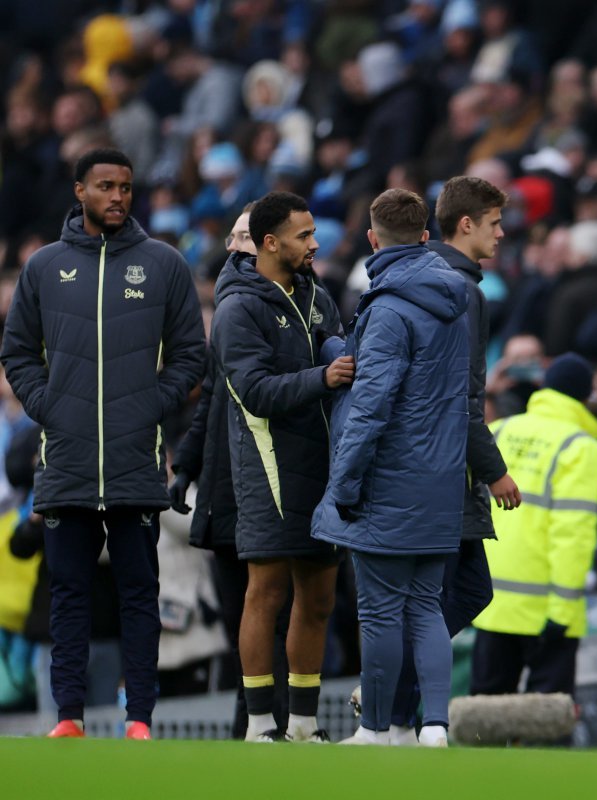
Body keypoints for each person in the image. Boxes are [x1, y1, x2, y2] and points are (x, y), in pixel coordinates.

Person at [0, 148, 206, 739]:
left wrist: (151, 407)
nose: (118, 196)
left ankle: (139, 717)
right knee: (67, 596)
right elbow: (16, 352)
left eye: (126, 187)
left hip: (135, 460)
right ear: (79, 191)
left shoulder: (163, 264)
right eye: (106, 186)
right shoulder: (43, 267)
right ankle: (69, 717)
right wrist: (49, 406)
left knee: (139, 595)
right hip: (64, 462)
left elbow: (192, 354)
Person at [312, 188, 470, 748]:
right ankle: (433, 728)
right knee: (426, 607)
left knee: (380, 614)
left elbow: (373, 404)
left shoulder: (386, 309)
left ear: (373, 239)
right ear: (426, 236)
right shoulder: (458, 300)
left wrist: (343, 485)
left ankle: (375, 729)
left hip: (387, 482)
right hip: (442, 481)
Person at [383, 176, 523, 741]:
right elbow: (461, 395)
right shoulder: (460, 292)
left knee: (457, 594)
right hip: (444, 470)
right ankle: (397, 705)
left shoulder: (435, 279)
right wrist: (495, 472)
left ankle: (394, 701)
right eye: (493, 223)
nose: (502, 233)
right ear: (465, 224)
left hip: (428, 464)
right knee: (455, 596)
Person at [210, 191, 351, 742]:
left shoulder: (316, 295)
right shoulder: (237, 308)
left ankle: (305, 726)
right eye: (303, 236)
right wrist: (326, 376)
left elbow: (330, 343)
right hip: (266, 465)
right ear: (270, 244)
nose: (315, 244)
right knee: (265, 595)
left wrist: (340, 349)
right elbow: (253, 391)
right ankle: (261, 724)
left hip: (323, 466)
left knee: (318, 598)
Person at [170, 203, 291, 739]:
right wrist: (188, 466)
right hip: (225, 485)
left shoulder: (300, 301)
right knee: (250, 612)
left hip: (275, 480)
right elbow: (214, 399)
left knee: (274, 612)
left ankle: (270, 724)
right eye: (235, 237)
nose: (237, 246)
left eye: (245, 235)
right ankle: (257, 725)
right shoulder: (233, 308)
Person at [470, 354, 597, 699]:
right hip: (547, 608)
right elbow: (572, 535)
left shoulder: (499, 430)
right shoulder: (581, 448)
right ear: (586, 396)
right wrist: (563, 610)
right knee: (545, 726)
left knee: (483, 724)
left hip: (490, 602)